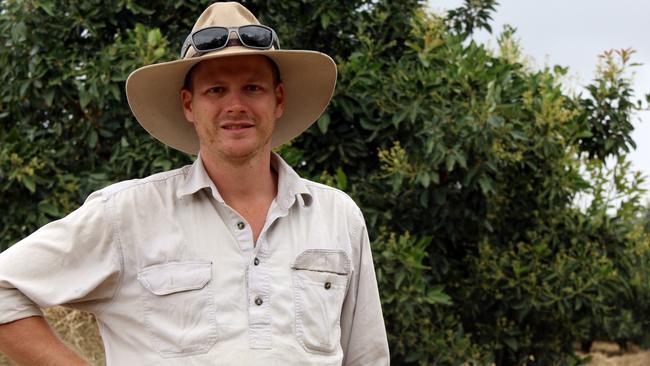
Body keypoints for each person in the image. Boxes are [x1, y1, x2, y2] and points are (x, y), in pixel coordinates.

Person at [0, 2, 389, 365]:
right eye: (215, 90)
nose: (235, 105)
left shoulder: (338, 217)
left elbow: (367, 356)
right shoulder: (127, 214)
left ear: (279, 99)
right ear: (189, 104)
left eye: (252, 87)